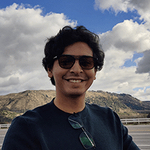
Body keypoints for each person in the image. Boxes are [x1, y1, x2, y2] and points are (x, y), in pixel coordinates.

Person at [2, 26, 140, 150]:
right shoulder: (25, 128)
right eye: (66, 61)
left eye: (86, 62)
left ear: (95, 72)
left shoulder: (110, 119)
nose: (76, 69)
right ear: (49, 69)